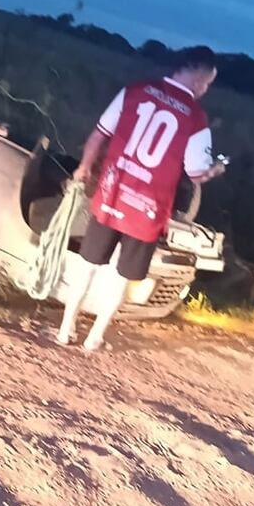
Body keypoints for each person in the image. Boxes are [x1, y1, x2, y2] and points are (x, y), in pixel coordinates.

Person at [56, 45, 226, 351]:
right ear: (198, 74)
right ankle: (94, 338)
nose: (205, 89)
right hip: (148, 209)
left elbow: (98, 135)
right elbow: (196, 174)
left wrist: (83, 168)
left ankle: (66, 327)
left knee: (89, 264)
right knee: (123, 276)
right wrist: (216, 170)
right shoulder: (196, 119)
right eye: (207, 82)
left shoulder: (135, 90)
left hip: (112, 194)